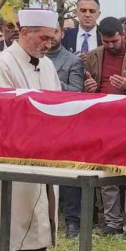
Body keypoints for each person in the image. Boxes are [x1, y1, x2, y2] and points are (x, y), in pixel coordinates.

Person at [0, 8, 66, 251]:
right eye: (43, 38)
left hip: (45, 149)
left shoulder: (48, 65)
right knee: (17, 206)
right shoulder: (2, 64)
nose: (48, 44)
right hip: (13, 151)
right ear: (25, 33)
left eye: (51, 38)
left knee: (43, 204)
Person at [81, 17, 126, 241]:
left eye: (114, 41)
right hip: (102, 120)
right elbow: (87, 85)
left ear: (124, 34)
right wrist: (89, 89)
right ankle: (111, 222)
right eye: (106, 42)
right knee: (107, 172)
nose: (110, 45)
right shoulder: (94, 56)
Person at [45, 22, 86, 238]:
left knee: (69, 177)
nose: (50, 38)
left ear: (62, 34)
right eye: (46, 34)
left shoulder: (73, 61)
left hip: (65, 124)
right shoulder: (33, 58)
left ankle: (72, 222)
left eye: (55, 32)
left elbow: (77, 92)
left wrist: (53, 83)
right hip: (39, 124)